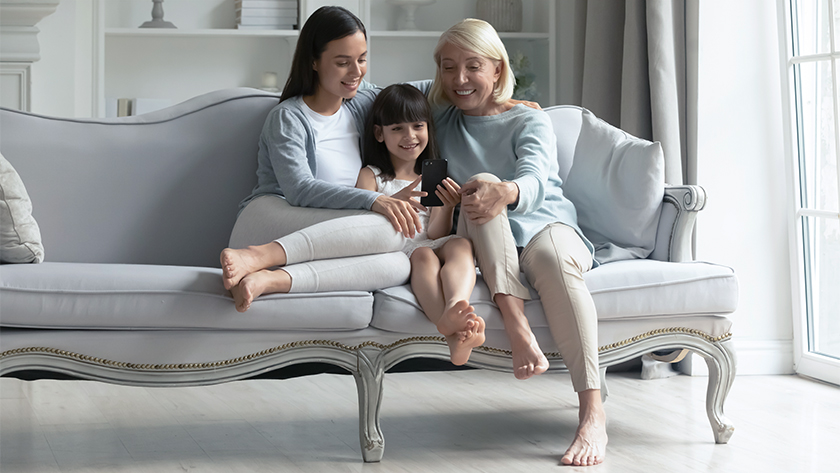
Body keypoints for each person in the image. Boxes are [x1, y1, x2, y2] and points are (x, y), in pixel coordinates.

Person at [428, 19, 608, 466]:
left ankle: (593, 414)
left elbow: (534, 179)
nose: (460, 79)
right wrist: (444, 202)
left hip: (544, 223)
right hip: (478, 229)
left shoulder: (529, 116)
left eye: (473, 67)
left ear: (497, 69)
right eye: (448, 68)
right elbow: (432, 192)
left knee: (550, 259)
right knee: (479, 186)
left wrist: (505, 191)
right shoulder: (434, 120)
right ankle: (518, 325)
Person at [220, 6, 429, 311]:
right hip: (270, 218)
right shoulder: (288, 117)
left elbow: (419, 92)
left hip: (329, 226)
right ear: (314, 61)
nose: (356, 72)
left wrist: (500, 99)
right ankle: (255, 256)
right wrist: (373, 201)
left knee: (399, 265)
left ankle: (266, 280)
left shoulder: (360, 102)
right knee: (389, 229)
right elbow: (300, 190)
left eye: (362, 59)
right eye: (343, 62)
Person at [356, 84, 485, 365]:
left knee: (461, 243)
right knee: (424, 254)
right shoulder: (372, 175)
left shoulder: (432, 173)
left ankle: (455, 306)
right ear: (380, 133)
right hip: (401, 247)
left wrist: (448, 207)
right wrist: (389, 201)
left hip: (429, 241)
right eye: (398, 129)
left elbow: (436, 233)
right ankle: (452, 334)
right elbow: (362, 224)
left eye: (417, 126)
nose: (410, 136)